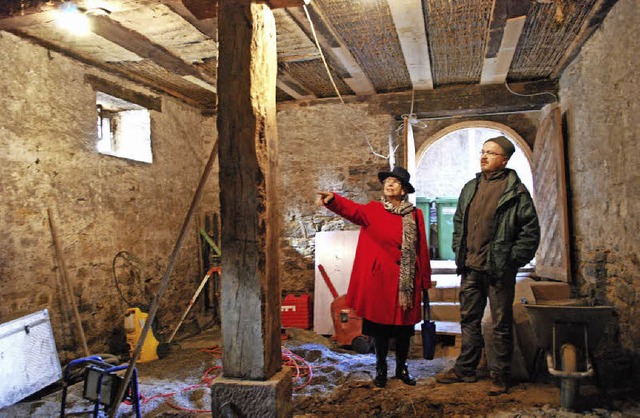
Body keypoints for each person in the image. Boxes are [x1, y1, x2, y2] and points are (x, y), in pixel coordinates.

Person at [435, 136, 540, 395]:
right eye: (483, 152)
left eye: (491, 153)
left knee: (500, 324)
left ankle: (500, 375)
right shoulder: (471, 187)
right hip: (471, 268)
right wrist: (459, 250)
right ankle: (466, 369)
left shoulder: (516, 192)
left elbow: (530, 233)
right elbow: (459, 222)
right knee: (468, 319)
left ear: (504, 159)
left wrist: (510, 261)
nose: (484, 156)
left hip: (498, 271)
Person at [317, 166, 432, 388]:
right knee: (380, 330)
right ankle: (381, 369)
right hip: (380, 281)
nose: (389, 184)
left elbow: (422, 248)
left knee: (403, 330)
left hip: (405, 283)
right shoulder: (373, 210)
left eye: (395, 182)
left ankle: (401, 368)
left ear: (404, 190)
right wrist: (333, 200)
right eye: (387, 181)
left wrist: (425, 280)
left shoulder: (415, 214)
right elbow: (352, 211)